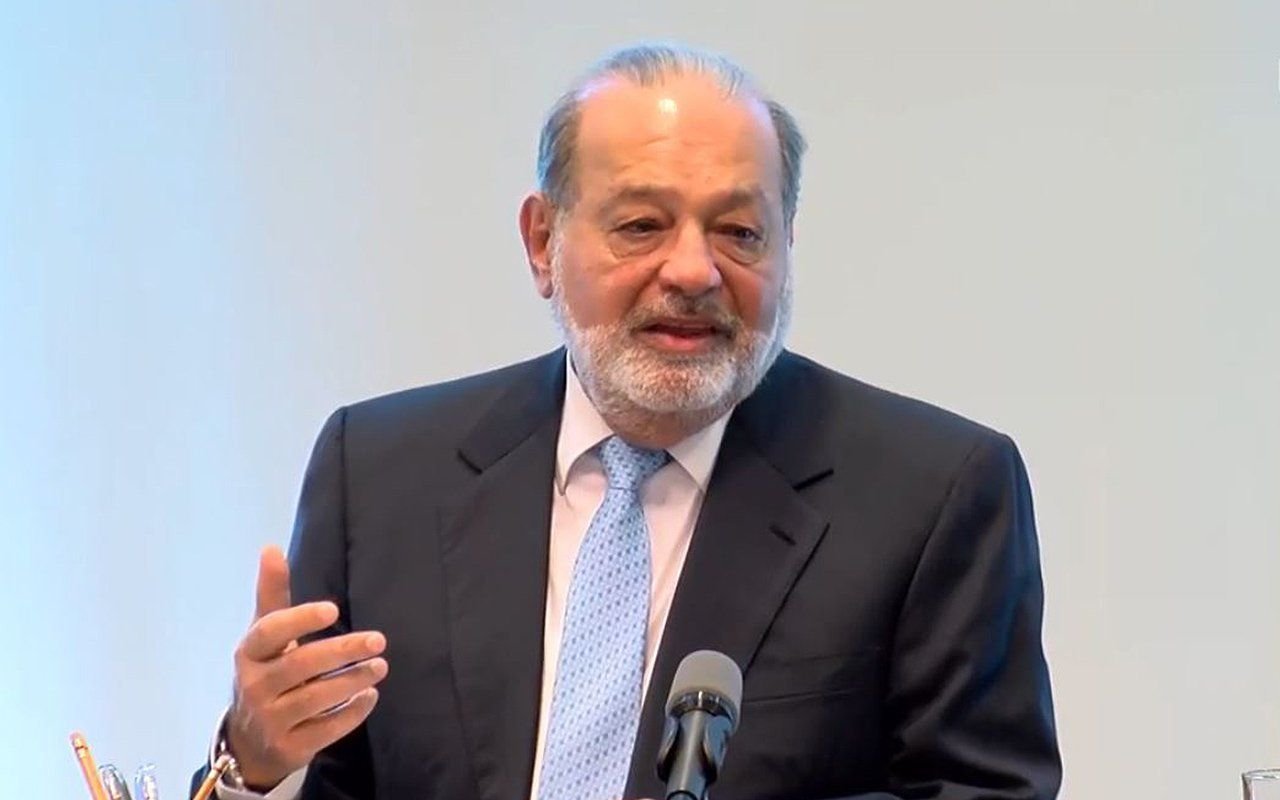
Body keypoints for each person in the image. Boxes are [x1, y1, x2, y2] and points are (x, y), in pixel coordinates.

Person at [194, 43, 1062, 800]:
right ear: (543, 241)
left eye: (740, 232)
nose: (693, 271)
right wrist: (259, 765)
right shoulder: (382, 474)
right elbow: (334, 783)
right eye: (642, 225)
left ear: (788, 244)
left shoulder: (933, 495)